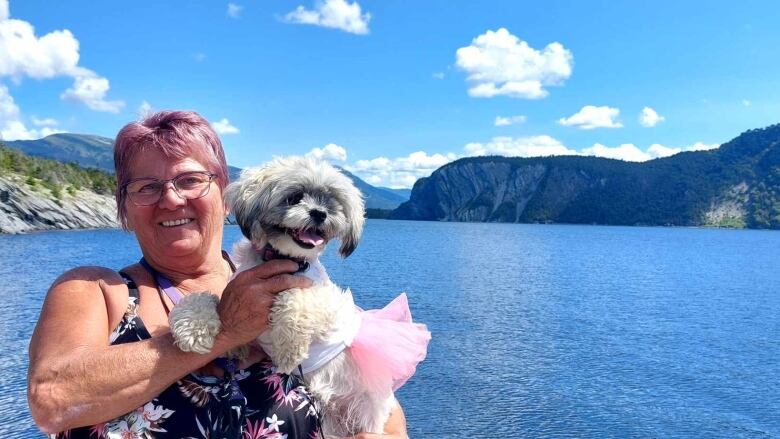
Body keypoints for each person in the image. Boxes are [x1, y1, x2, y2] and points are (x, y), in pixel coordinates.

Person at [27, 110, 408, 438]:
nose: (172, 199)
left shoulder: (290, 279)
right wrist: (226, 330)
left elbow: (383, 413)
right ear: (124, 207)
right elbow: (53, 401)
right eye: (147, 187)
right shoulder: (95, 290)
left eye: (190, 180)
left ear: (223, 194)